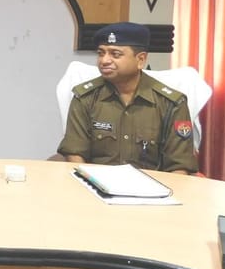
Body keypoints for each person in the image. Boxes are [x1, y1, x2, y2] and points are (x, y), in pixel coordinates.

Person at [57, 22, 198, 174]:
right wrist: (88, 182)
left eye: (115, 54)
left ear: (141, 60)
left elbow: (179, 166)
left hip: (152, 186)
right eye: (101, 53)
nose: (104, 60)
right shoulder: (85, 98)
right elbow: (75, 154)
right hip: (95, 183)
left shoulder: (171, 103)